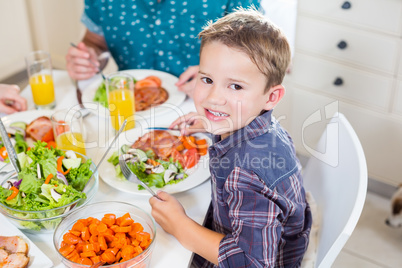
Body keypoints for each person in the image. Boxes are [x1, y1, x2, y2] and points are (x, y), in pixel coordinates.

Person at [149, 8, 312, 267]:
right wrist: (210, 123)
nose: (213, 97)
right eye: (207, 79)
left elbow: (252, 263)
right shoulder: (256, 125)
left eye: (235, 86)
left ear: (271, 97)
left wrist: (180, 226)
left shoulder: (246, 172)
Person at [66, 0, 260, 98]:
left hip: (208, 106)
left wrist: (213, 80)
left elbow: (255, 52)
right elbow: (96, 42)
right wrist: (89, 58)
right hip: (128, 107)